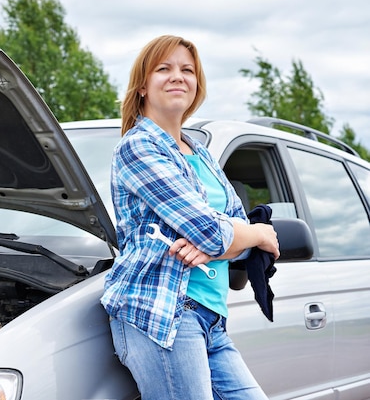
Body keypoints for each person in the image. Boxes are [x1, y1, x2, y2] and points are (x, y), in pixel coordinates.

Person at [100, 35, 280, 400]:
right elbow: (216, 232)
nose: (177, 76)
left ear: (197, 84)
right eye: (163, 69)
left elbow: (226, 239)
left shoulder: (200, 154)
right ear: (142, 87)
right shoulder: (138, 146)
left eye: (187, 70)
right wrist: (257, 232)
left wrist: (222, 243)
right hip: (164, 314)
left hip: (211, 318)